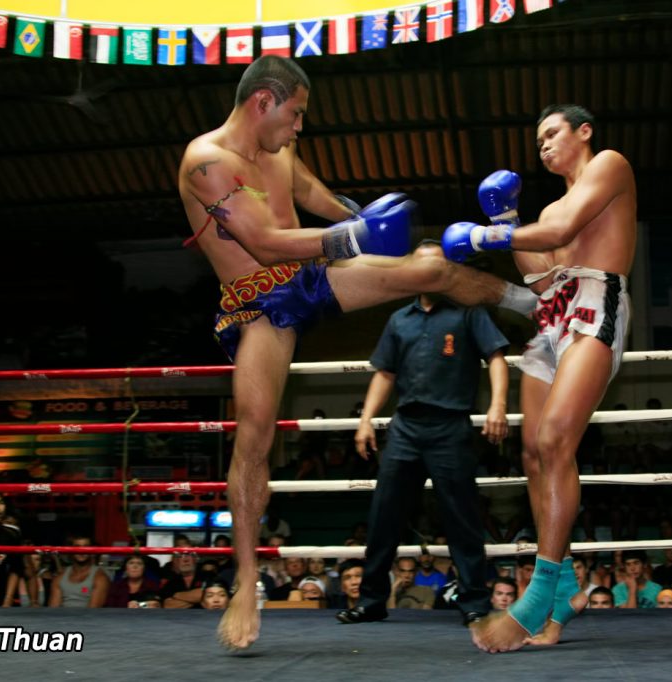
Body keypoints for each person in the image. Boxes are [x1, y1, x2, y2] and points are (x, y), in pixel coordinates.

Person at [177, 55, 537, 650]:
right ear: (264, 102)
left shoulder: (279, 150)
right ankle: (245, 582)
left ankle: (534, 305)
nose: (299, 128)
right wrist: (358, 236)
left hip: (316, 274)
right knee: (255, 436)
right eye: (295, 115)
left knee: (428, 266)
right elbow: (264, 244)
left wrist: (360, 218)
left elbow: (311, 191)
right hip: (259, 304)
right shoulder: (207, 162)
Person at [442, 103, 636, 651]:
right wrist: (505, 225)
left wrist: (488, 238)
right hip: (556, 314)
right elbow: (542, 276)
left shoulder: (609, 167)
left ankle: (535, 597)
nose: (544, 145)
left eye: (552, 133)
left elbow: (564, 228)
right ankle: (567, 591)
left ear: (584, 131)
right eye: (539, 140)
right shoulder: (551, 206)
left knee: (555, 440)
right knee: (531, 453)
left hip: (598, 302)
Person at [334, 266, 510, 628]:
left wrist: (499, 404)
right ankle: (371, 601)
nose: (429, 274)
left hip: (451, 426)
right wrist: (366, 418)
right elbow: (385, 372)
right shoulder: (399, 319)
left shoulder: (468, 312)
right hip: (406, 428)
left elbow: (495, 357)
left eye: (437, 268)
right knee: (384, 516)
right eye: (422, 267)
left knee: (463, 518)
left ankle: (475, 603)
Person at [48, 534, 110, 608]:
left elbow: (93, 611)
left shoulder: (100, 577)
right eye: (77, 547)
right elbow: (53, 609)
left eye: (86, 547)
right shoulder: (60, 577)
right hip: (62, 618)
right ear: (71, 550)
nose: (81, 551)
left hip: (88, 618)